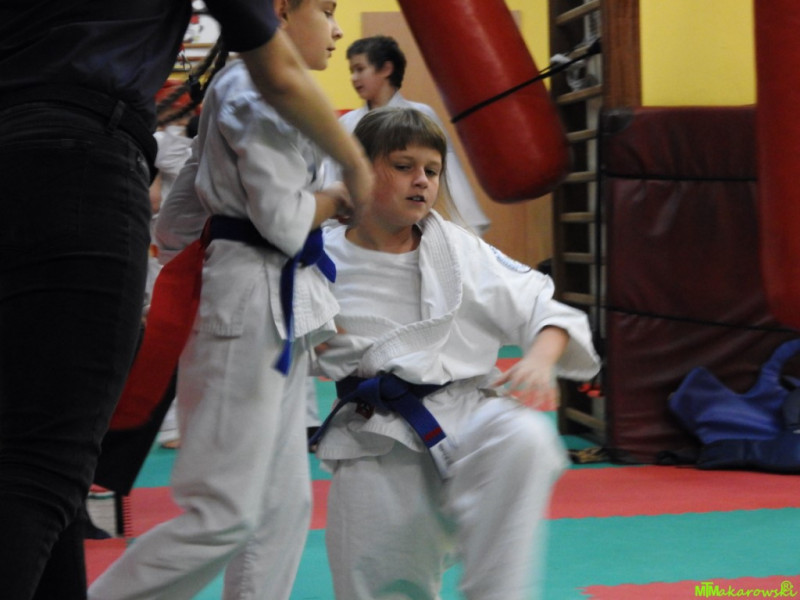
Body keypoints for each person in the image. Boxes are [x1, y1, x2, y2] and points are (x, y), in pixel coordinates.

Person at [0, 2, 372, 599]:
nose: (336, 30)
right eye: (326, 11)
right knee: (221, 512)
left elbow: (177, 219)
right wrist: (342, 195)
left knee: (282, 506)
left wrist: (199, 255)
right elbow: (282, 220)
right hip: (246, 297)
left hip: (263, 292)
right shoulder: (256, 86)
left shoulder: (230, 87)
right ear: (280, 10)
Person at [313, 107, 601, 600]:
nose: (422, 181)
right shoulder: (320, 256)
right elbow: (279, 337)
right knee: (380, 584)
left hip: (468, 418)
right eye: (403, 166)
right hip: (377, 438)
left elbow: (546, 311)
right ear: (358, 170)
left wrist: (539, 359)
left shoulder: (456, 248)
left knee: (525, 437)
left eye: (432, 170)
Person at [324, 34, 491, 235]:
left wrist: (467, 226)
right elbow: (332, 176)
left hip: (414, 226)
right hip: (359, 228)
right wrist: (329, 225)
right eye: (352, 71)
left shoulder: (421, 116)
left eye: (360, 69)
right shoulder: (347, 123)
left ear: (386, 69)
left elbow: (449, 172)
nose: (354, 78)